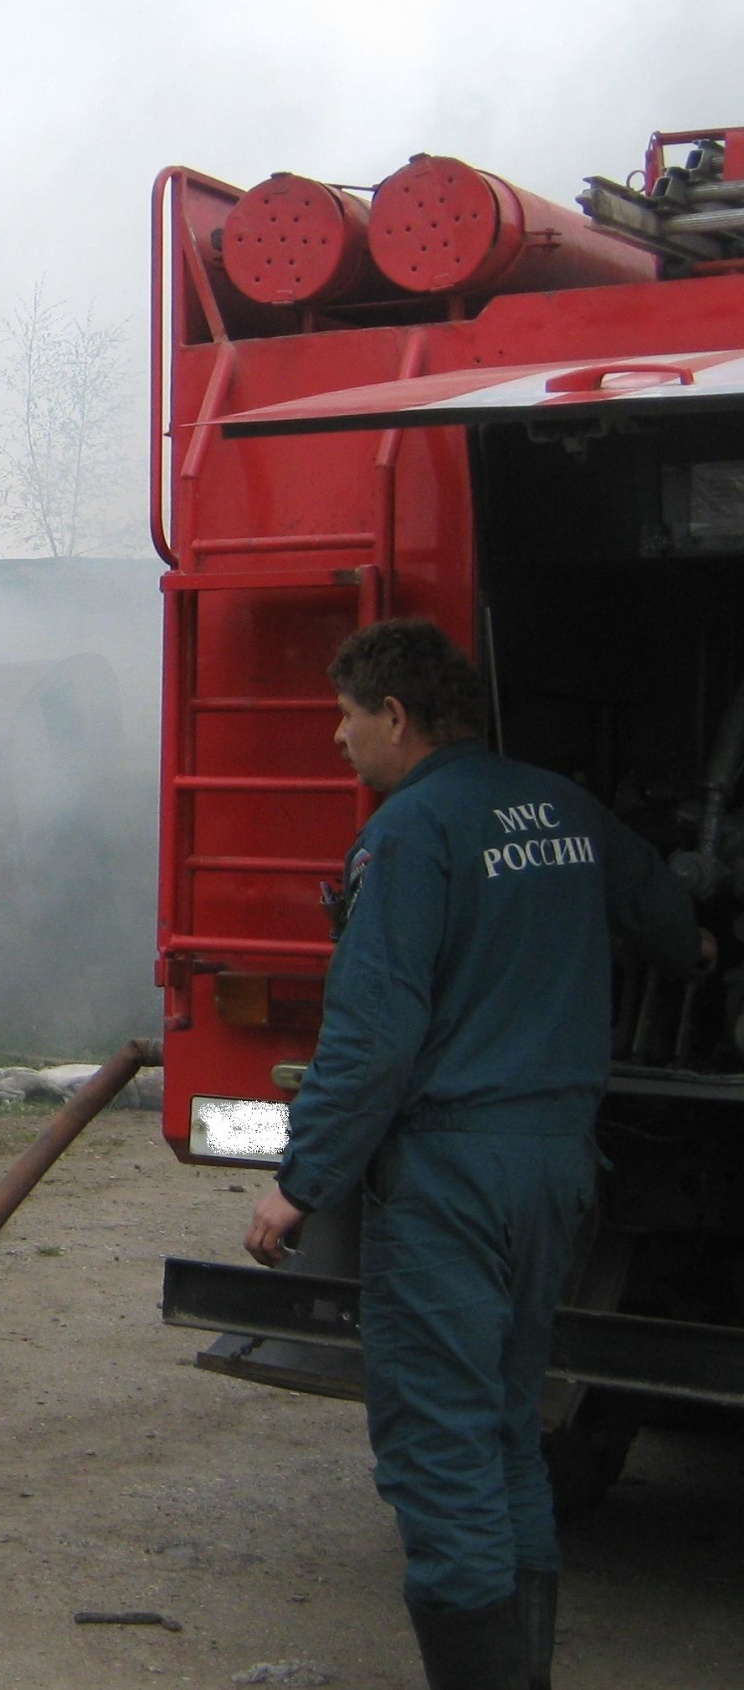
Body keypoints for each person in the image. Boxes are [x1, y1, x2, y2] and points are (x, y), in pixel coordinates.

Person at [243, 620, 707, 1690]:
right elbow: (672, 924)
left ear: (394, 718)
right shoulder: (561, 806)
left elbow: (369, 1037)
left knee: (435, 1450)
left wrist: (297, 1183)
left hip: (450, 1178)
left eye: (346, 717)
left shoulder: (408, 834)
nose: (335, 737)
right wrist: (699, 948)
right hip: (552, 1168)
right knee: (504, 1432)